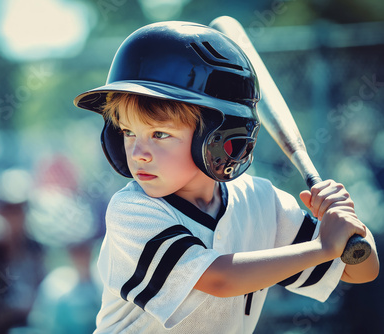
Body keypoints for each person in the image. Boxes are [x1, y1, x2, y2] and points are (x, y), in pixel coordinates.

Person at [73, 21, 379, 333]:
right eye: (127, 132)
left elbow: (359, 271)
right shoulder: (132, 212)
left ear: (218, 137)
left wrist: (348, 226)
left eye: (160, 134)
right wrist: (323, 247)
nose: (138, 152)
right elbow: (219, 279)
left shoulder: (261, 202)